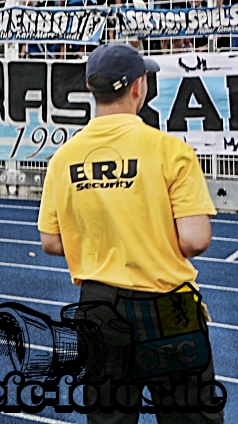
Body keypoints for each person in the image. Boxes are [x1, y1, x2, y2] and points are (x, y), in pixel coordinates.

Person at [39, 44, 220, 424]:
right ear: (139, 87)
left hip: (99, 307)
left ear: (94, 91)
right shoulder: (170, 150)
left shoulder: (64, 158)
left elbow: (51, 240)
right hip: (167, 304)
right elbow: (195, 239)